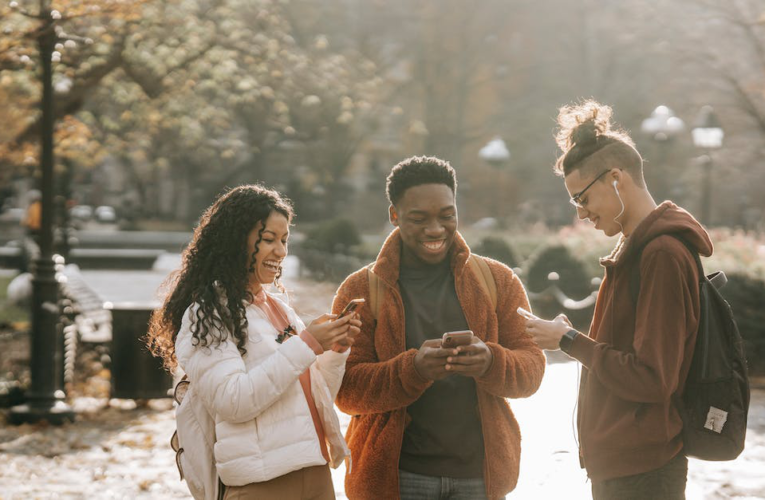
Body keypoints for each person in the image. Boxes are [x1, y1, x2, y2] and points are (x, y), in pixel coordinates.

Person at [525, 100, 713, 500]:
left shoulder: (660, 253)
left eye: (582, 199)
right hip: (628, 463)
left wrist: (567, 340)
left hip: (643, 468)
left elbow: (652, 378)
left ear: (616, 178)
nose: (581, 214)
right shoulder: (640, 248)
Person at [333, 156, 546, 500]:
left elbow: (532, 370)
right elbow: (345, 390)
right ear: (394, 215)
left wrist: (490, 361)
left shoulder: (498, 280)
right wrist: (412, 369)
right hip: (397, 479)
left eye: (447, 216)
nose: (436, 229)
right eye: (419, 218)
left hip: (480, 477)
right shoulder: (360, 289)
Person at [146, 184, 360, 500]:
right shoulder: (207, 314)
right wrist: (307, 344)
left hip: (315, 471)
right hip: (262, 484)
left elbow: (316, 397)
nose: (281, 251)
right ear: (236, 242)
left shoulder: (278, 308)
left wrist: (335, 350)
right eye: (269, 239)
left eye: (284, 240)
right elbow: (234, 401)